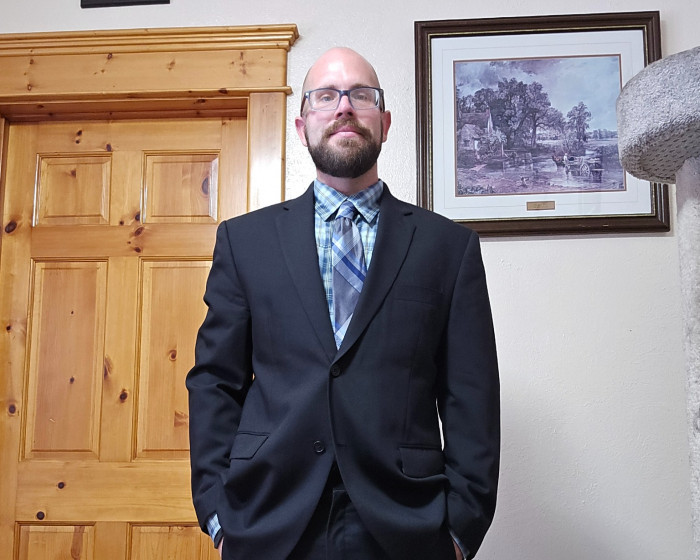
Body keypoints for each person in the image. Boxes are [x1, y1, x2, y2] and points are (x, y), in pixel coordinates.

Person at [186, 47, 500, 560]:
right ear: (301, 125)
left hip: (407, 524)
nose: (344, 107)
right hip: (268, 519)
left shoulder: (448, 247)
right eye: (326, 96)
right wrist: (219, 515)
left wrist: (462, 528)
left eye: (361, 95)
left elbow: (472, 393)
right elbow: (215, 381)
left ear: (385, 122)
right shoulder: (245, 242)